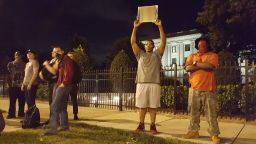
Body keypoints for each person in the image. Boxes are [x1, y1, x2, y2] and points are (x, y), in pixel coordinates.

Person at [130, 18, 166, 134]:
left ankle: (152, 125)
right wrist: (135, 28)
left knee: (153, 106)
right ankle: (141, 125)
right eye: (146, 44)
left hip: (154, 83)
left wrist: (160, 26)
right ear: (144, 46)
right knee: (142, 106)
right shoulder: (139, 54)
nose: (148, 45)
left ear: (153, 46)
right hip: (141, 83)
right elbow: (133, 42)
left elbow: (164, 42)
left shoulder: (157, 55)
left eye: (150, 44)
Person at [183, 36, 221, 144]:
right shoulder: (192, 55)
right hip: (194, 88)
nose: (202, 47)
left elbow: (210, 66)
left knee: (211, 113)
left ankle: (214, 134)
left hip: (209, 89)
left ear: (207, 45)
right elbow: (187, 68)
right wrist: (200, 65)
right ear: (197, 46)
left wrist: (195, 64)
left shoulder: (212, 55)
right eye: (199, 45)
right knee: (193, 113)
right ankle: (193, 131)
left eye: (204, 45)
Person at [44, 47, 74, 135]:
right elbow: (58, 72)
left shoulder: (66, 59)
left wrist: (63, 83)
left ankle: (52, 131)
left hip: (64, 85)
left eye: (56, 51)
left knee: (54, 107)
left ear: (61, 52)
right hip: (62, 84)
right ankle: (64, 127)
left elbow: (69, 72)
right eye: (54, 52)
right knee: (62, 108)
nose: (54, 53)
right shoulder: (61, 60)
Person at [39, 47, 60, 124]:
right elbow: (48, 72)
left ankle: (56, 120)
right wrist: (42, 75)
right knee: (50, 102)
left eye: (54, 52)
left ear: (58, 52)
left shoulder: (58, 60)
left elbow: (54, 72)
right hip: (50, 82)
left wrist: (47, 65)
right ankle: (52, 118)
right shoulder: (51, 60)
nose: (52, 52)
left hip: (56, 83)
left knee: (54, 102)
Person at [6, 51, 26, 119]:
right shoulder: (10, 64)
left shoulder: (24, 64)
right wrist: (8, 84)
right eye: (16, 55)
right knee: (12, 101)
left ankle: (21, 113)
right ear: (14, 56)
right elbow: (8, 75)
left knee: (22, 101)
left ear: (21, 56)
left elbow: (25, 74)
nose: (17, 56)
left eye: (19, 55)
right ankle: (11, 114)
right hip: (12, 85)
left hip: (21, 85)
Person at [67, 52, 81, 120]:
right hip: (66, 84)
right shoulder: (65, 64)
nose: (69, 58)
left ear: (73, 57)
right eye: (68, 56)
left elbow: (79, 75)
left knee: (74, 100)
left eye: (71, 56)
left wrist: (75, 81)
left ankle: (75, 114)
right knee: (64, 100)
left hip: (73, 85)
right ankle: (64, 114)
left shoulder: (76, 65)